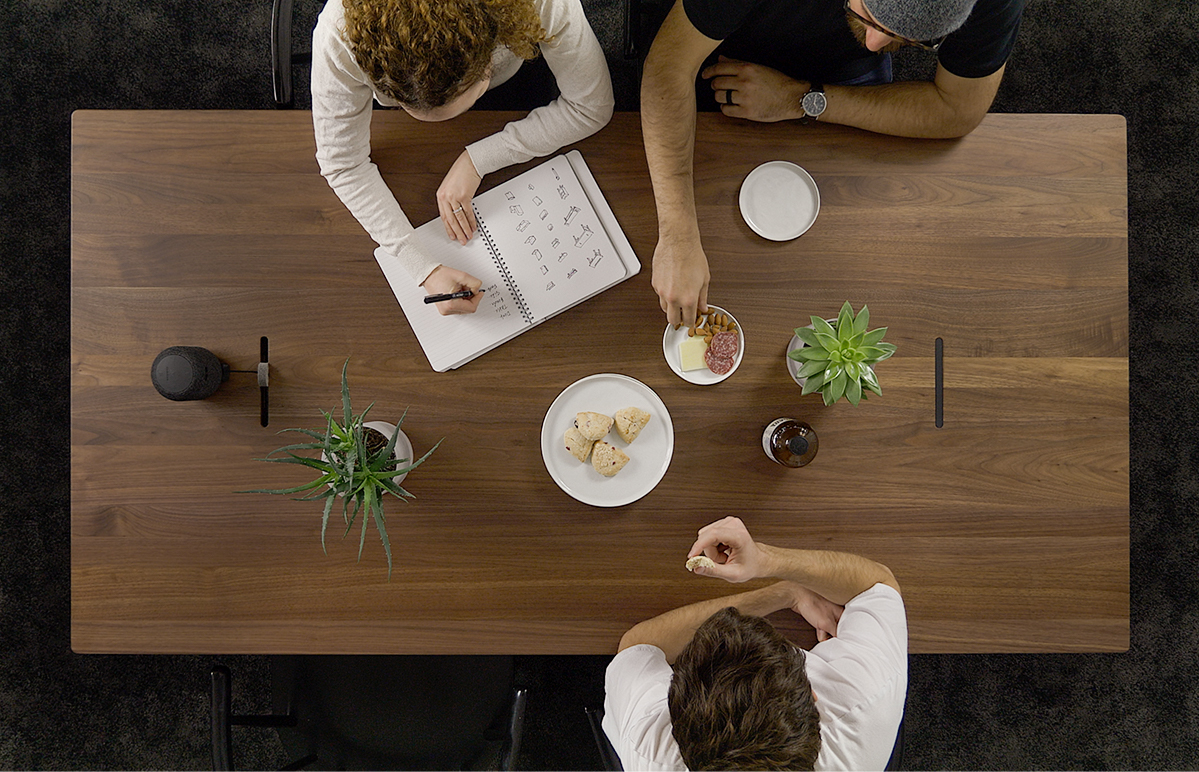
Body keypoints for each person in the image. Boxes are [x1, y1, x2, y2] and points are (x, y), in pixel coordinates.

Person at [640, 0, 1026, 327]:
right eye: (869, 15)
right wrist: (677, 234)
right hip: (717, 43)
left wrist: (801, 100)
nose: (876, 44)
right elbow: (669, 66)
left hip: (831, 79)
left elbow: (957, 109)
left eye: (907, 39)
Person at [312, 0, 614, 315]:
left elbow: (590, 106)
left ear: (489, 64)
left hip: (520, 81)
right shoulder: (340, 32)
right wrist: (423, 268)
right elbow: (343, 163)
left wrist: (477, 160)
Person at [603, 516, 907, 770]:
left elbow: (638, 646)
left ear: (673, 724)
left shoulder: (649, 750)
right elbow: (877, 585)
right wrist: (766, 562)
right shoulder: (865, 702)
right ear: (812, 697)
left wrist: (781, 594)